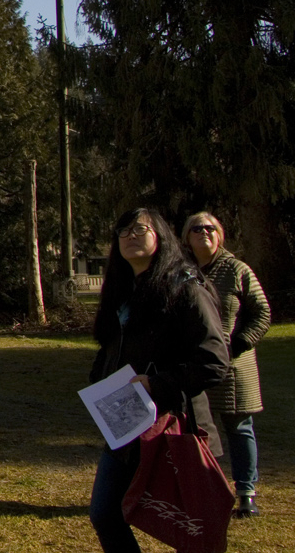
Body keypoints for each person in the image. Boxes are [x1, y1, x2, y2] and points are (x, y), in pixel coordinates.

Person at [88, 208, 230, 553]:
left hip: (175, 424)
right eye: (123, 231)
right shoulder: (123, 290)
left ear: (160, 236)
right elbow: (112, 349)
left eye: (140, 229)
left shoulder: (186, 286)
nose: (130, 236)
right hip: (126, 423)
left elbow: (214, 362)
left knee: (192, 528)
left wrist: (157, 384)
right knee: (105, 513)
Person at [183, 211, 271, 518]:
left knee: (239, 427)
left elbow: (262, 313)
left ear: (220, 234)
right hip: (195, 364)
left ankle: (246, 492)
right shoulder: (182, 271)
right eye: (197, 228)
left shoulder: (237, 269)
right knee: (197, 430)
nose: (204, 232)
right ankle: (208, 489)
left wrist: (238, 343)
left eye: (211, 228)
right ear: (186, 237)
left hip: (234, 365)